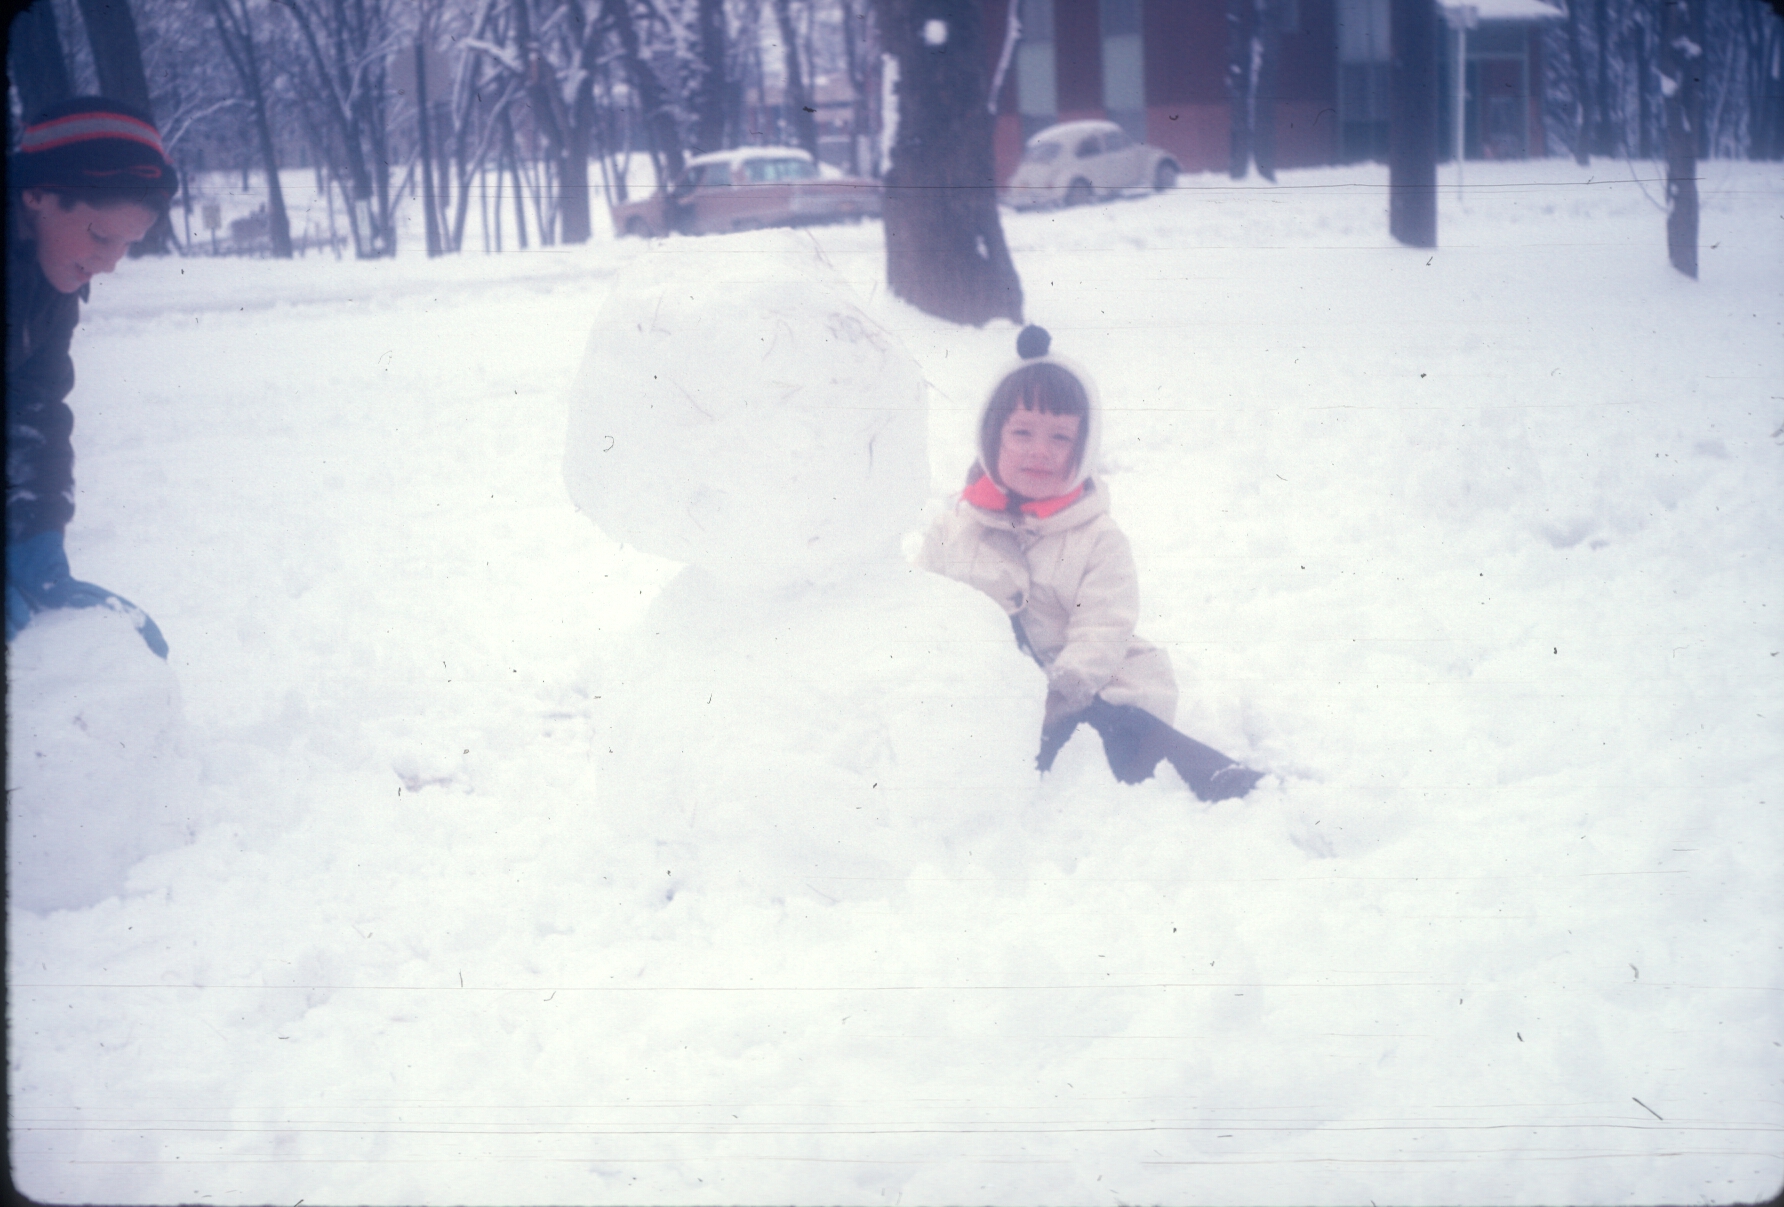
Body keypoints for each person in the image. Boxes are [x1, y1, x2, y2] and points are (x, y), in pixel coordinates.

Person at [919, 325, 1262, 802]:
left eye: (1060, 438)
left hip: (1089, 686)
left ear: (1081, 452)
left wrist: (1062, 692)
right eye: (1022, 432)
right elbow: (925, 617)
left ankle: (1214, 777)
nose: (1040, 450)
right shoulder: (952, 532)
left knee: (1120, 730)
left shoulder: (1097, 538)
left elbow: (1104, 627)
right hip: (993, 698)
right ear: (990, 437)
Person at [6, 97, 176, 657]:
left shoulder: (50, 286)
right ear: (35, 196)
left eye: (128, 244)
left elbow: (33, 407)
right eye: (101, 237)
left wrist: (36, 539)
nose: (110, 263)